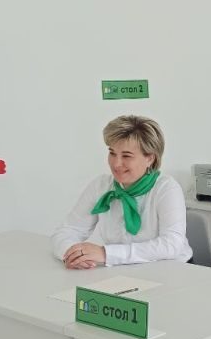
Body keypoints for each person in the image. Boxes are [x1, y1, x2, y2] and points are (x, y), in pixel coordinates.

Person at [52, 115, 192, 269]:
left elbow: (171, 244)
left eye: (126, 156)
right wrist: (73, 255)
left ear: (150, 158)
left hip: (173, 271)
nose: (116, 163)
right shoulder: (100, 186)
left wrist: (106, 254)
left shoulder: (166, 188)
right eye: (112, 153)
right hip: (122, 271)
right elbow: (67, 231)